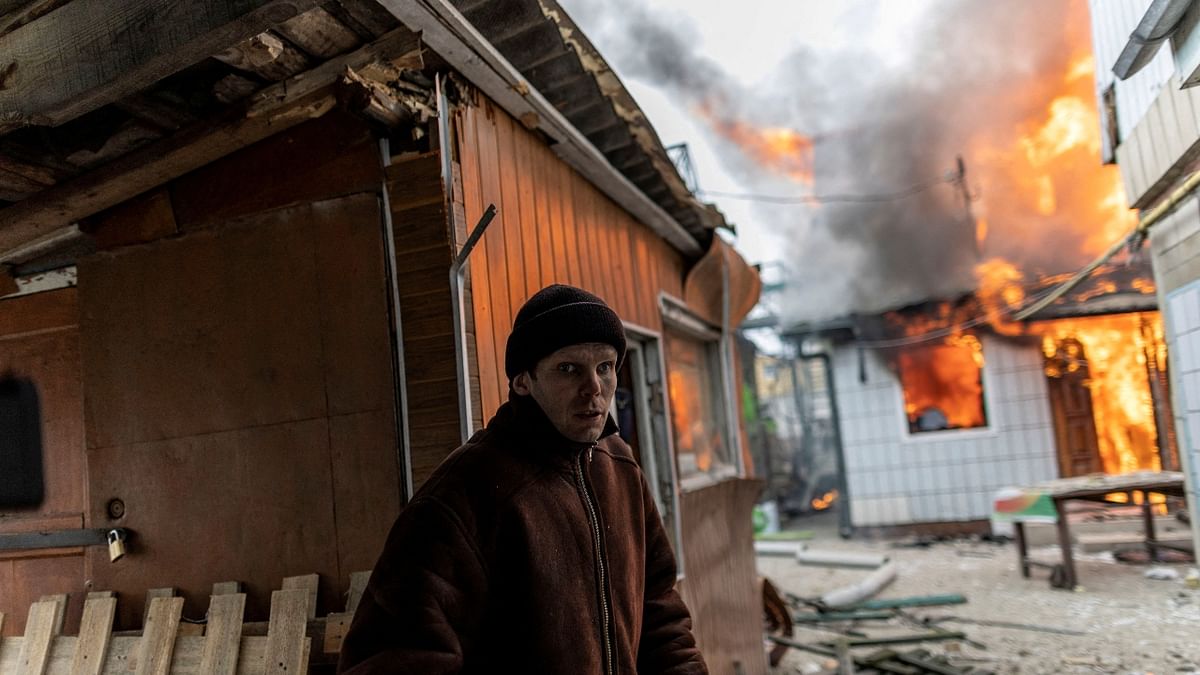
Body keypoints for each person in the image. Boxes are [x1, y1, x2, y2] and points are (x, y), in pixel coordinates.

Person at [338, 284, 707, 674]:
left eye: (605, 367)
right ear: (523, 381)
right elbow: (391, 658)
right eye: (569, 369)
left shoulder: (620, 468)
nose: (594, 389)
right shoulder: (462, 496)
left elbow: (661, 615)